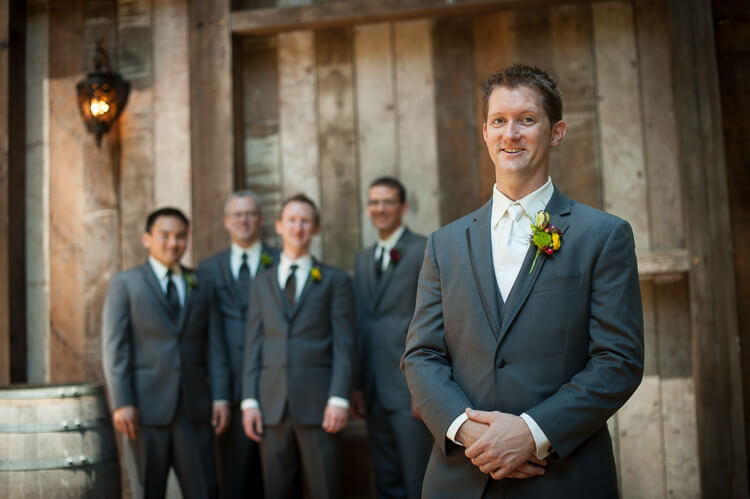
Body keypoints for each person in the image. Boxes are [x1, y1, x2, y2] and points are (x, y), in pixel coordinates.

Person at [401, 64, 644, 498]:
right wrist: (466, 430)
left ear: (556, 132)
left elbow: (618, 360)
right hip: (460, 477)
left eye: (527, 120)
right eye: (499, 121)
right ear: (485, 133)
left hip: (562, 477)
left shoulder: (603, 235)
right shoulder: (445, 244)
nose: (510, 133)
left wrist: (533, 432)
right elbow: (421, 355)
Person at [102, 207, 231, 499]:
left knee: (205, 490)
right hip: (144, 412)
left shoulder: (201, 283)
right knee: (148, 490)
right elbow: (115, 348)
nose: (174, 243)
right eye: (165, 235)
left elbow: (215, 346)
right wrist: (122, 402)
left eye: (181, 236)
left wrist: (221, 396)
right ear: (147, 239)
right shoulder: (125, 283)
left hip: (195, 409)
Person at [241, 194, 355, 499]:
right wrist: (249, 400)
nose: (298, 227)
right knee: (277, 490)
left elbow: (344, 343)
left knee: (326, 488)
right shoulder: (261, 282)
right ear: (279, 226)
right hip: (271, 404)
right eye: (291, 220)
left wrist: (339, 398)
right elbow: (253, 343)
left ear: (315, 229)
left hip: (320, 405)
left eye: (305, 221)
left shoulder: (334, 280)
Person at [351, 177, 432, 499]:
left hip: (408, 388)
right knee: (385, 479)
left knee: (417, 478)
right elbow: (361, 324)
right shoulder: (363, 259)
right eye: (374, 202)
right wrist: (358, 384)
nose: (379, 209)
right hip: (373, 390)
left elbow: (432, 320)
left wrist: (424, 387)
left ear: (403, 207)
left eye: (387, 202)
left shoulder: (423, 249)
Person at [199, 191, 279, 498]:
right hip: (228, 387)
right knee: (234, 479)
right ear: (226, 222)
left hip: (274, 385)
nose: (244, 220)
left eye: (250, 214)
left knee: (275, 480)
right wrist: (217, 392)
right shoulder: (207, 269)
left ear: (260, 220)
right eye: (237, 215)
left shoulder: (280, 261)